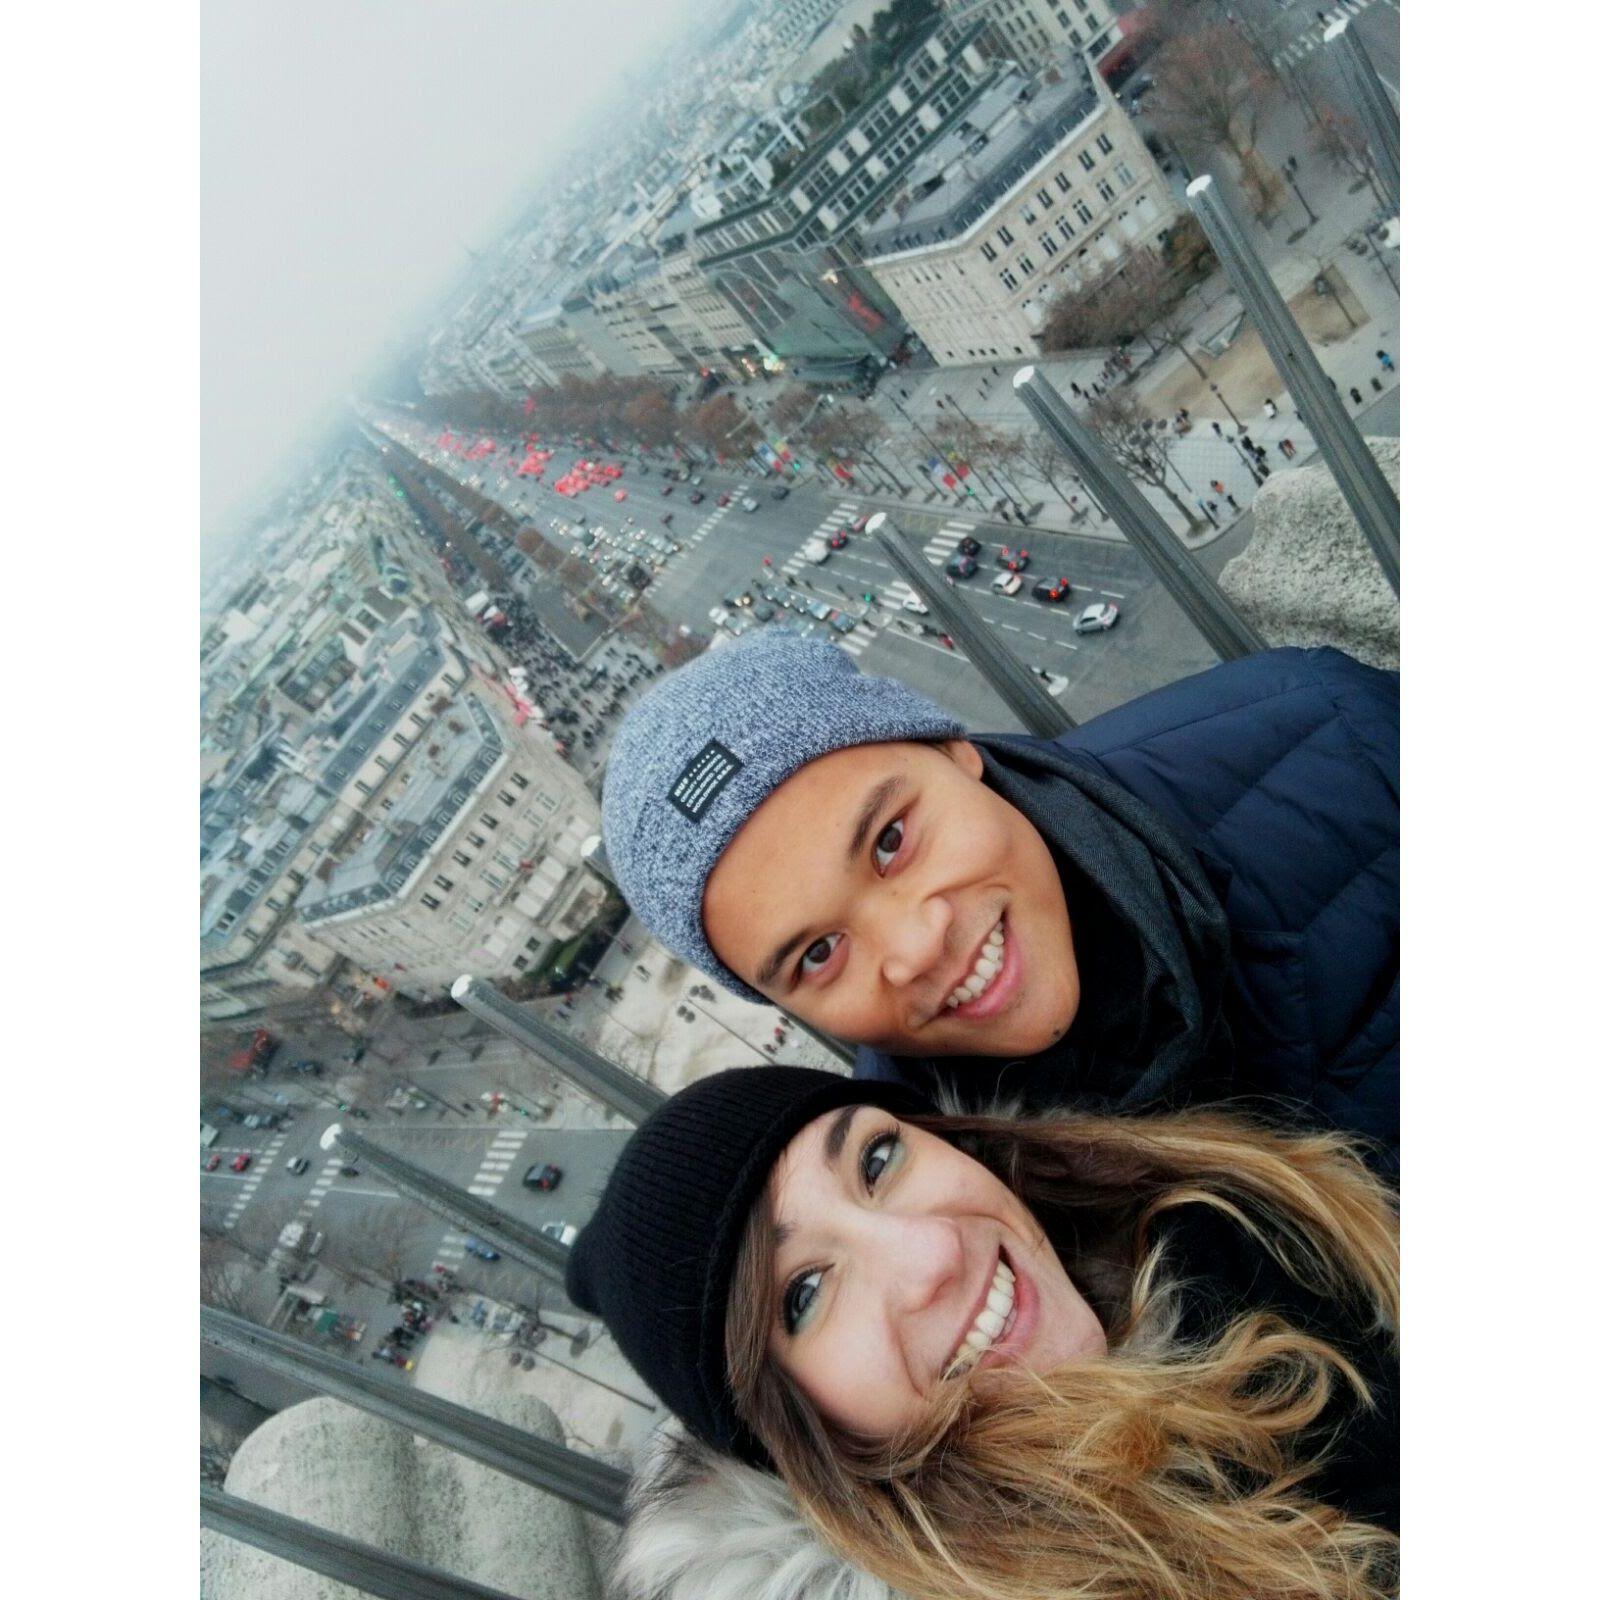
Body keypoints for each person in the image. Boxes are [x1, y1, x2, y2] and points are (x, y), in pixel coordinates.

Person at [570, 1066, 1399, 1600]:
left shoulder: (1235, 1219)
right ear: (790, 1436)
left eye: (878, 1162)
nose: (931, 1250)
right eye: (806, 1293)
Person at [601, 632, 1399, 1169]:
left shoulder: (1331, 734)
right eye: (818, 955)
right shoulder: (945, 1195)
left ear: (956, 751)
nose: (914, 949)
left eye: (889, 841)